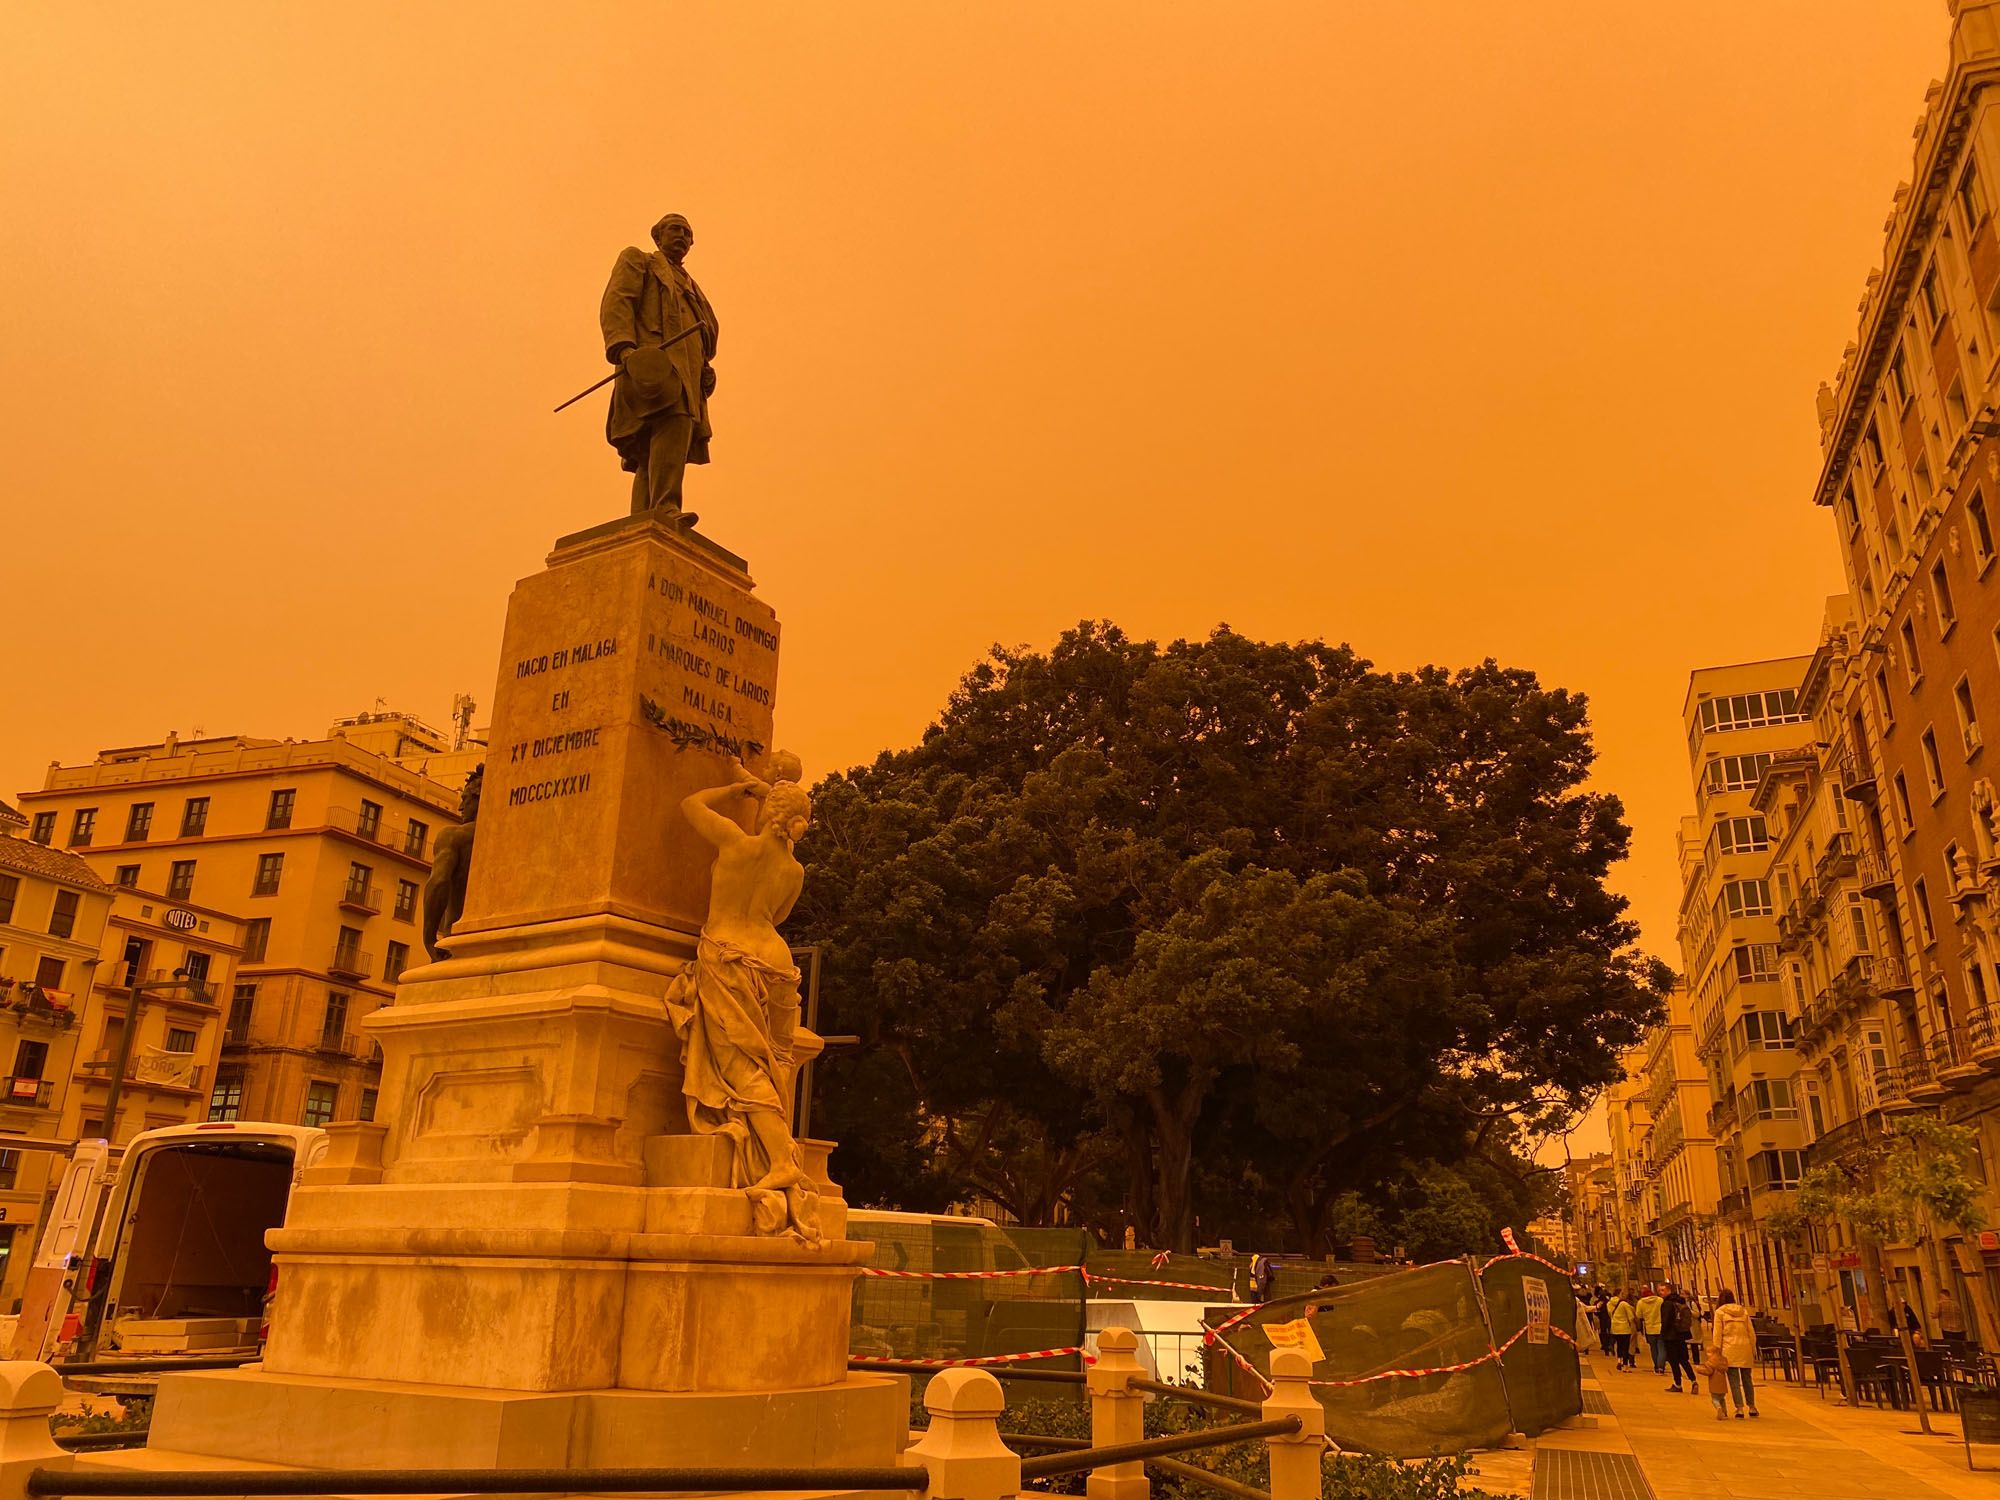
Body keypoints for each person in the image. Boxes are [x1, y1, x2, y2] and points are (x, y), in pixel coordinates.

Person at [662, 755, 818, 1243]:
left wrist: (735, 793)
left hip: (731, 956)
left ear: (766, 811)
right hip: (777, 963)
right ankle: (784, 1150)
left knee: (744, 1067)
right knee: (777, 1061)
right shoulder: (794, 871)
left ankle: (779, 1162)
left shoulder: (735, 843)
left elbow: (689, 804)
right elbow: (779, 914)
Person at [600, 212, 720, 522]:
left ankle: (643, 517)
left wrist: (705, 366)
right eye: (674, 229)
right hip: (652, 363)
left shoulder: (693, 288)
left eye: (687, 233)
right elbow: (618, 301)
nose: (681, 236)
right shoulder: (639, 261)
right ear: (658, 236)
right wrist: (624, 350)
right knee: (669, 425)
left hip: (688, 373)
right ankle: (666, 506)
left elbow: (703, 332)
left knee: (657, 449)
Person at [1709, 1289, 1758, 1418]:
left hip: (1729, 1349)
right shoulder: (1743, 1311)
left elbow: (1717, 1334)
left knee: (1734, 1380)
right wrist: (1753, 1348)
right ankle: (1752, 1406)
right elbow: (1751, 1332)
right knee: (1747, 1379)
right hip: (1745, 1347)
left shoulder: (1720, 1313)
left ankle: (1740, 1408)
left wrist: (1716, 1350)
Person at [1662, 1287, 1699, 1393]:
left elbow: (1665, 1321)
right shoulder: (1681, 1302)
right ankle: (1693, 1381)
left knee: (1674, 1362)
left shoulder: (1667, 1304)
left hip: (1670, 1337)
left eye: (1662, 1290)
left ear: (1668, 1291)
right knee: (1684, 1360)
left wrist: (1662, 1334)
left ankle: (1678, 1384)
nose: (1660, 1293)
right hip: (1681, 1335)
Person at [1636, 1284, 1666, 1373]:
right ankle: (1661, 1366)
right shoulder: (1660, 1300)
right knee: (1662, 1348)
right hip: (1660, 1327)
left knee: (1653, 1348)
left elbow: (1638, 1315)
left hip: (1649, 1328)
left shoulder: (1640, 1302)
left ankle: (1656, 1366)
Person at [1608, 1289, 1636, 1369]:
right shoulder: (1624, 1304)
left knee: (1619, 1345)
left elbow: (1610, 1314)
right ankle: (1625, 1365)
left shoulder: (1609, 1304)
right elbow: (1631, 1317)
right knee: (1625, 1346)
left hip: (1615, 1328)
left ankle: (1619, 1361)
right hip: (1625, 1328)